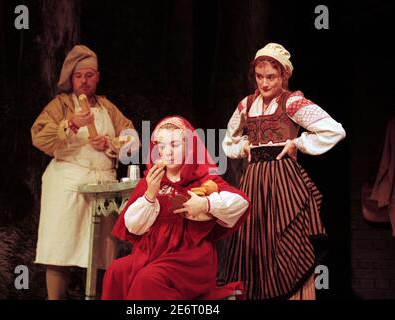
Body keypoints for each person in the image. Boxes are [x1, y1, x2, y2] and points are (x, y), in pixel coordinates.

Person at [221, 43, 346, 300]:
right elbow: (228, 141)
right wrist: (243, 146)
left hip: (283, 181)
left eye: (271, 77)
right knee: (254, 243)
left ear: (283, 76)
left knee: (285, 239)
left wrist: (297, 143)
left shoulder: (292, 102)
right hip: (254, 181)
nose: (264, 83)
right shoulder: (247, 105)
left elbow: (334, 130)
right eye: (259, 76)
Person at [102, 116, 250, 300]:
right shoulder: (152, 181)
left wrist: (206, 204)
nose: (168, 152)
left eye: (175, 145)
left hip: (190, 258)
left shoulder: (203, 179)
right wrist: (150, 194)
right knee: (116, 270)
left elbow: (241, 202)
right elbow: (133, 226)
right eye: (162, 146)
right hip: (152, 253)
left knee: (149, 279)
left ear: (189, 147)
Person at [31, 45, 138, 300]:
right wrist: (70, 124)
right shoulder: (61, 105)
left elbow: (131, 137)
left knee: (101, 254)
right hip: (67, 184)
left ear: (97, 77)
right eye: (79, 76)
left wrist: (110, 142)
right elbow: (39, 135)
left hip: (102, 187)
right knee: (61, 250)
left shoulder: (108, 108)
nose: (84, 81)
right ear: (71, 78)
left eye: (89, 75)